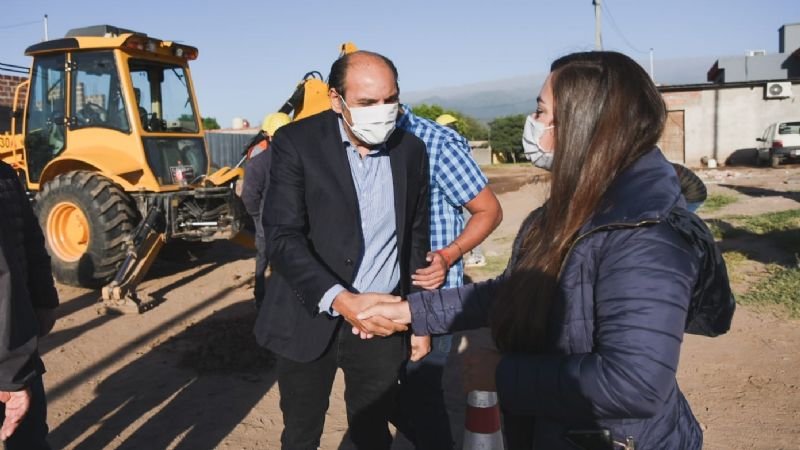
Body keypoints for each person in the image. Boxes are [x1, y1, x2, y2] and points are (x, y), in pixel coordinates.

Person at [356, 51, 721, 449]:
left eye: (543, 113)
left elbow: (634, 384)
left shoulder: (643, 236)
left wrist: (502, 374)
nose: (534, 125)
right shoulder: (577, 207)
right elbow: (516, 291)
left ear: (588, 126)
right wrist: (412, 311)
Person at [253, 50, 444, 450]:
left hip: (381, 320)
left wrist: (421, 318)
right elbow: (283, 237)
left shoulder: (411, 151)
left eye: (391, 100)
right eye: (367, 103)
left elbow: (414, 237)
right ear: (336, 100)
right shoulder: (296, 143)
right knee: (301, 433)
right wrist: (340, 299)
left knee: (372, 432)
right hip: (308, 315)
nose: (383, 112)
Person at [395, 107, 502, 449]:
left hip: (429, 297)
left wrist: (448, 254)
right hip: (379, 297)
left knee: (421, 395)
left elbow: (489, 210)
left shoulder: (437, 143)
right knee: (378, 391)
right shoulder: (351, 141)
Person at [0, 161, 59, 449]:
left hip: (17, 343)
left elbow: (31, 241)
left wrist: (44, 299)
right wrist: (13, 375)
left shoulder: (6, 174)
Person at [241, 112, 291, 308]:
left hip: (265, 222)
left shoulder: (257, 163)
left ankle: (261, 299)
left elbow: (249, 197)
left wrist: (257, 215)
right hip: (292, 221)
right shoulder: (298, 160)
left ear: (267, 135)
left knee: (263, 260)